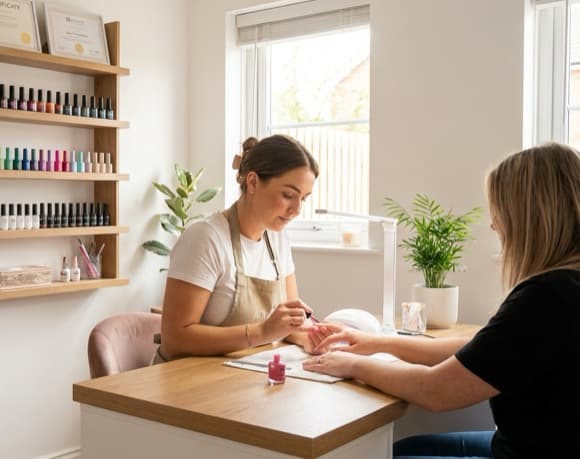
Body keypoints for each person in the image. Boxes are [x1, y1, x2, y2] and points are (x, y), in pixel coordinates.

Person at [303, 143, 580, 458]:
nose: (493, 224)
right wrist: (376, 343)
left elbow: (435, 391)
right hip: (528, 443)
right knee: (402, 450)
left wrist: (353, 364)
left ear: (528, 215)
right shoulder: (564, 286)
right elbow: (479, 347)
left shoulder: (547, 297)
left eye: (499, 210)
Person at [155, 134, 321, 363]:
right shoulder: (206, 238)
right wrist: (262, 332)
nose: (297, 209)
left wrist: (313, 336)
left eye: (304, 198)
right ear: (252, 182)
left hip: (241, 379)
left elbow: (288, 326)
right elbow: (175, 338)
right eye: (288, 195)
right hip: (187, 384)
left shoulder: (278, 240)